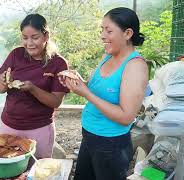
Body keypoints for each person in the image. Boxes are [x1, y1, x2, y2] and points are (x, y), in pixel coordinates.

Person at [59, 7, 148, 180]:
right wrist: (77, 83)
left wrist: (86, 93)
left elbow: (126, 117)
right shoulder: (108, 56)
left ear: (127, 33)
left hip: (111, 144)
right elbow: (95, 91)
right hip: (89, 135)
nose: (102, 35)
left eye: (108, 30)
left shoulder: (135, 66)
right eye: (102, 30)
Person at [0, 13, 69, 159]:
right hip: (9, 125)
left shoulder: (58, 63)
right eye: (25, 37)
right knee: (8, 166)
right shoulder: (16, 54)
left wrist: (33, 89)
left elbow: (56, 101)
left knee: (37, 169)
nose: (29, 43)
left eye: (35, 37)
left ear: (46, 36)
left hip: (39, 129)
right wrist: (2, 82)